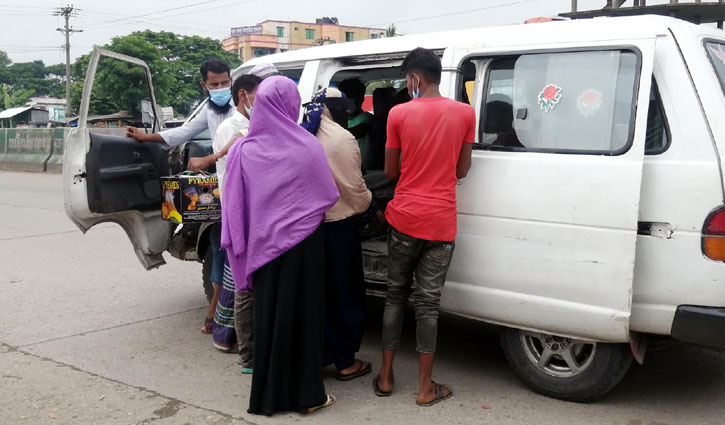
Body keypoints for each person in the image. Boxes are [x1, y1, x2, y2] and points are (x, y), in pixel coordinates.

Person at [222, 76, 339, 416]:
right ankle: (308, 395)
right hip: (304, 248)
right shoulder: (307, 146)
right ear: (289, 105)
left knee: (270, 318)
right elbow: (327, 196)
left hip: (263, 250)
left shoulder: (243, 150)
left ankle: (267, 396)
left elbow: (234, 207)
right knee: (305, 318)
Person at [373, 48, 474, 407]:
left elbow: (389, 172)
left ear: (414, 78)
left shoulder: (398, 113)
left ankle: (385, 377)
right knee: (428, 304)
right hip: (441, 223)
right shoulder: (465, 113)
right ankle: (425, 388)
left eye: (406, 79)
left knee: (395, 295)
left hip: (404, 220)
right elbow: (462, 171)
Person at [189, 74, 263, 356]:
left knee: (237, 277)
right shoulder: (232, 127)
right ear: (243, 96)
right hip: (238, 208)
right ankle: (227, 336)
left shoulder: (245, 125)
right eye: (259, 94)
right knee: (237, 279)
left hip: (244, 209)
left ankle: (225, 334)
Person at [302, 88, 373, 381]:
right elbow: (355, 190)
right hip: (338, 227)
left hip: (306, 230)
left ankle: (315, 356)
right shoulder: (343, 138)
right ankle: (345, 361)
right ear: (337, 108)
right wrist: (372, 207)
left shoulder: (301, 133)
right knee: (345, 293)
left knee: (316, 295)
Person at [125, 60, 234, 148]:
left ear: (231, 81)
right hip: (224, 170)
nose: (220, 88)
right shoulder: (208, 110)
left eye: (225, 83)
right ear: (204, 86)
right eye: (214, 84)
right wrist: (145, 137)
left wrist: (210, 159)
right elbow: (185, 131)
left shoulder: (244, 106)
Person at [338, 78, 374, 164]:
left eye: (352, 100)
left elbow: (357, 132)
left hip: (360, 166)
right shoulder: (340, 119)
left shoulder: (366, 118)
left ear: (361, 99)